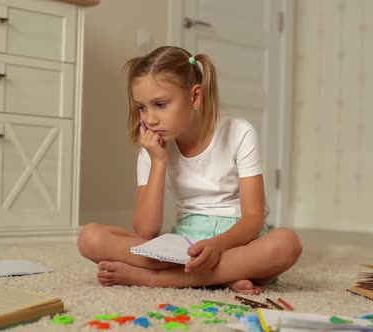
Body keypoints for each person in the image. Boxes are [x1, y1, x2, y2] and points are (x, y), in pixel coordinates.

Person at [77, 46, 302, 295]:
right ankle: (224, 275)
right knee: (89, 237)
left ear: (195, 97)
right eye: (142, 107)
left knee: (286, 244)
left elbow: (253, 218)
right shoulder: (153, 148)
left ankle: (157, 279)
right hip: (186, 243)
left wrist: (216, 246)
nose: (149, 119)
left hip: (238, 241)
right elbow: (145, 231)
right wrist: (159, 162)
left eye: (160, 104)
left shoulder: (239, 132)